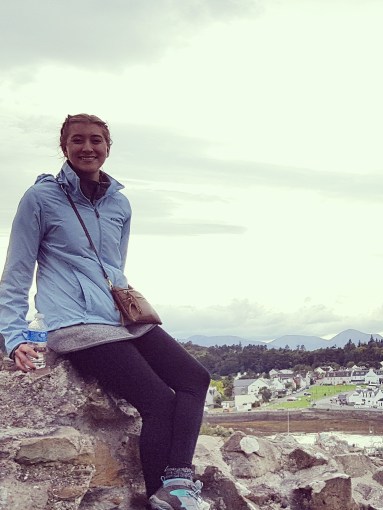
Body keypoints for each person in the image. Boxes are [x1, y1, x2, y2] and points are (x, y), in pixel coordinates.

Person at [0, 114, 210, 510]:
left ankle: (178, 482)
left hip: (118, 318)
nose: (87, 147)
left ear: (108, 147)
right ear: (64, 147)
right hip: (75, 322)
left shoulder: (119, 203)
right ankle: (162, 498)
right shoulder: (40, 199)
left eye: (96, 140)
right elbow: (17, 271)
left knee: (195, 378)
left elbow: (115, 265)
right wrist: (14, 337)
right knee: (157, 401)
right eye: (77, 140)